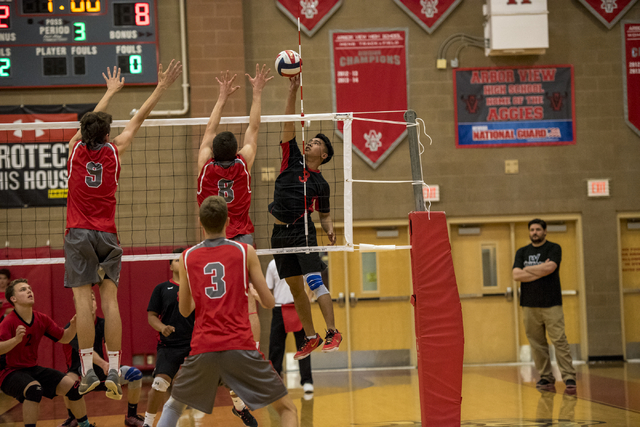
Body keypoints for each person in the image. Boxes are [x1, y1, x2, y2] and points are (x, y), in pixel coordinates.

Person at [65, 62, 183, 399]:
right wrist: (160, 88)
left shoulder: (73, 150)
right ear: (105, 135)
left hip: (77, 233)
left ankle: (88, 371)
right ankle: (114, 366)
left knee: (81, 302)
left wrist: (109, 92)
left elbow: (85, 126)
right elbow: (138, 119)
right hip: (107, 234)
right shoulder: (116, 151)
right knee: (109, 301)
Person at [156, 196, 298, 427]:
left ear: (200, 222)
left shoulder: (187, 257)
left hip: (204, 347)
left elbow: (184, 310)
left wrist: (200, 300)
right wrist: (253, 294)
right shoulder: (245, 251)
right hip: (240, 345)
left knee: (173, 407)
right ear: (228, 221)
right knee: (287, 409)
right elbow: (270, 302)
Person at [196, 65, 273, 347]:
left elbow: (209, 129)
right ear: (237, 151)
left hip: (214, 237)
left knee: (217, 298)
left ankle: (219, 346)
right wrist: (257, 91)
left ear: (213, 151)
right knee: (248, 294)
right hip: (243, 238)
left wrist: (221, 97)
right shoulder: (244, 164)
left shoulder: (205, 166)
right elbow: (254, 127)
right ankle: (250, 350)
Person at [268, 75, 341, 360]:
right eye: (310, 140)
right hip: (279, 233)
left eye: (316, 143)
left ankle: (332, 331)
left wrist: (330, 229)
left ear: (324, 156)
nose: (310, 143)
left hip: (303, 232)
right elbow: (287, 123)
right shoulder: (292, 158)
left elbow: (324, 214)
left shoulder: (321, 184)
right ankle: (310, 337)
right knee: (295, 286)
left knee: (313, 281)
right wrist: (292, 89)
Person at [144, 248, 257, 427]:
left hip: (197, 344)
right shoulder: (162, 288)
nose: (180, 262)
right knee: (159, 384)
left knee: (230, 375)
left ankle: (240, 407)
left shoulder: (200, 287)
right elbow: (151, 316)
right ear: (170, 265)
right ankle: (147, 424)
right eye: (176, 260)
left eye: (183, 259)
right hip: (170, 346)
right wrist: (162, 327)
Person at [0, 279, 93, 427]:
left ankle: (85, 425)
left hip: (31, 368)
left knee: (74, 387)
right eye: (23, 289)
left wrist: (74, 326)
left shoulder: (41, 318)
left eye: (29, 288)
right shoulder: (8, 322)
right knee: (34, 389)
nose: (29, 291)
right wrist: (16, 340)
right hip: (8, 372)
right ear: (13, 299)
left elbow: (64, 338)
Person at [59, 291, 144, 427]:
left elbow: (110, 344)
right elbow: (86, 351)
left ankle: (131, 416)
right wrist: (104, 363)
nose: (90, 303)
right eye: (86, 300)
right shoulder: (72, 327)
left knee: (135, 375)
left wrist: (112, 367)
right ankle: (74, 419)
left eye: (92, 299)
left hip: (101, 373)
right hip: (79, 374)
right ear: (77, 305)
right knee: (67, 382)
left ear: (97, 304)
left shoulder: (103, 323)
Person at [512, 218, 577, 392]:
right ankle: (546, 377)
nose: (535, 232)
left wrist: (528, 269)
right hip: (529, 305)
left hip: (551, 304)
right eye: (532, 230)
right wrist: (541, 269)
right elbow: (516, 275)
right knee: (537, 343)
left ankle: (569, 376)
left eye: (538, 230)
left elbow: (551, 268)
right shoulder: (522, 251)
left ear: (545, 231)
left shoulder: (554, 248)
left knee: (559, 340)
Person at [266, 259, 314, 393]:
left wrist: (308, 299)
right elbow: (268, 288)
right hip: (279, 308)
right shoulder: (272, 265)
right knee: (276, 346)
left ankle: (307, 381)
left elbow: (310, 283)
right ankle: (275, 382)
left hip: (298, 307)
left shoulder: (300, 261)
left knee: (304, 346)